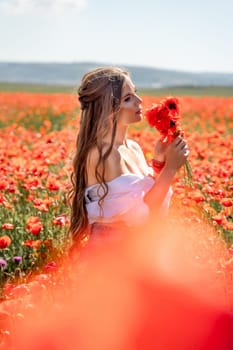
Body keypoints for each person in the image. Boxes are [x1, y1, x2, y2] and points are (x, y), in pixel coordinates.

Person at [68, 66, 189, 249]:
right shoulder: (104, 155)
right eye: (128, 98)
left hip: (135, 252)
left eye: (136, 93)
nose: (139, 101)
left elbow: (151, 199)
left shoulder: (133, 147)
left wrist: (159, 162)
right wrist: (170, 168)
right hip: (110, 259)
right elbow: (143, 215)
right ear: (108, 108)